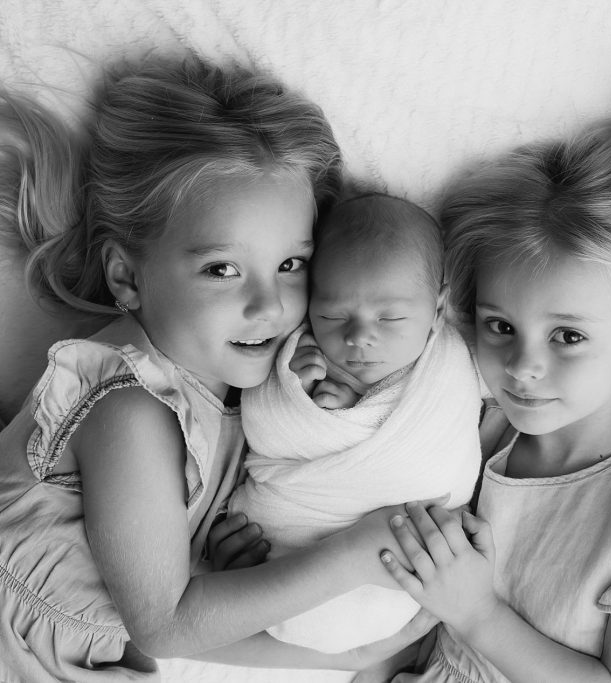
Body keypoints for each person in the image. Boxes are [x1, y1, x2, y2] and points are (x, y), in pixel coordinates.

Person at [0, 55, 434, 681]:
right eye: (222, 270)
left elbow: (169, 619)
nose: (270, 304)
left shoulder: (231, 398)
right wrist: (357, 555)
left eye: (291, 265)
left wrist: (221, 585)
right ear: (127, 276)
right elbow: (166, 623)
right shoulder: (131, 408)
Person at [379, 125, 611, 683]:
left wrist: (478, 615)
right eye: (501, 326)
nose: (521, 366)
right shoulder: (470, 438)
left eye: (568, 337)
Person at [229, 193, 482, 655]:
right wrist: (296, 393)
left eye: (391, 317)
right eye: (333, 315)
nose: (359, 336)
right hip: (281, 559)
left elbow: (446, 455)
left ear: (439, 309)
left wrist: (355, 410)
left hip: (405, 579)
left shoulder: (450, 366)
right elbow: (267, 428)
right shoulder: (301, 353)